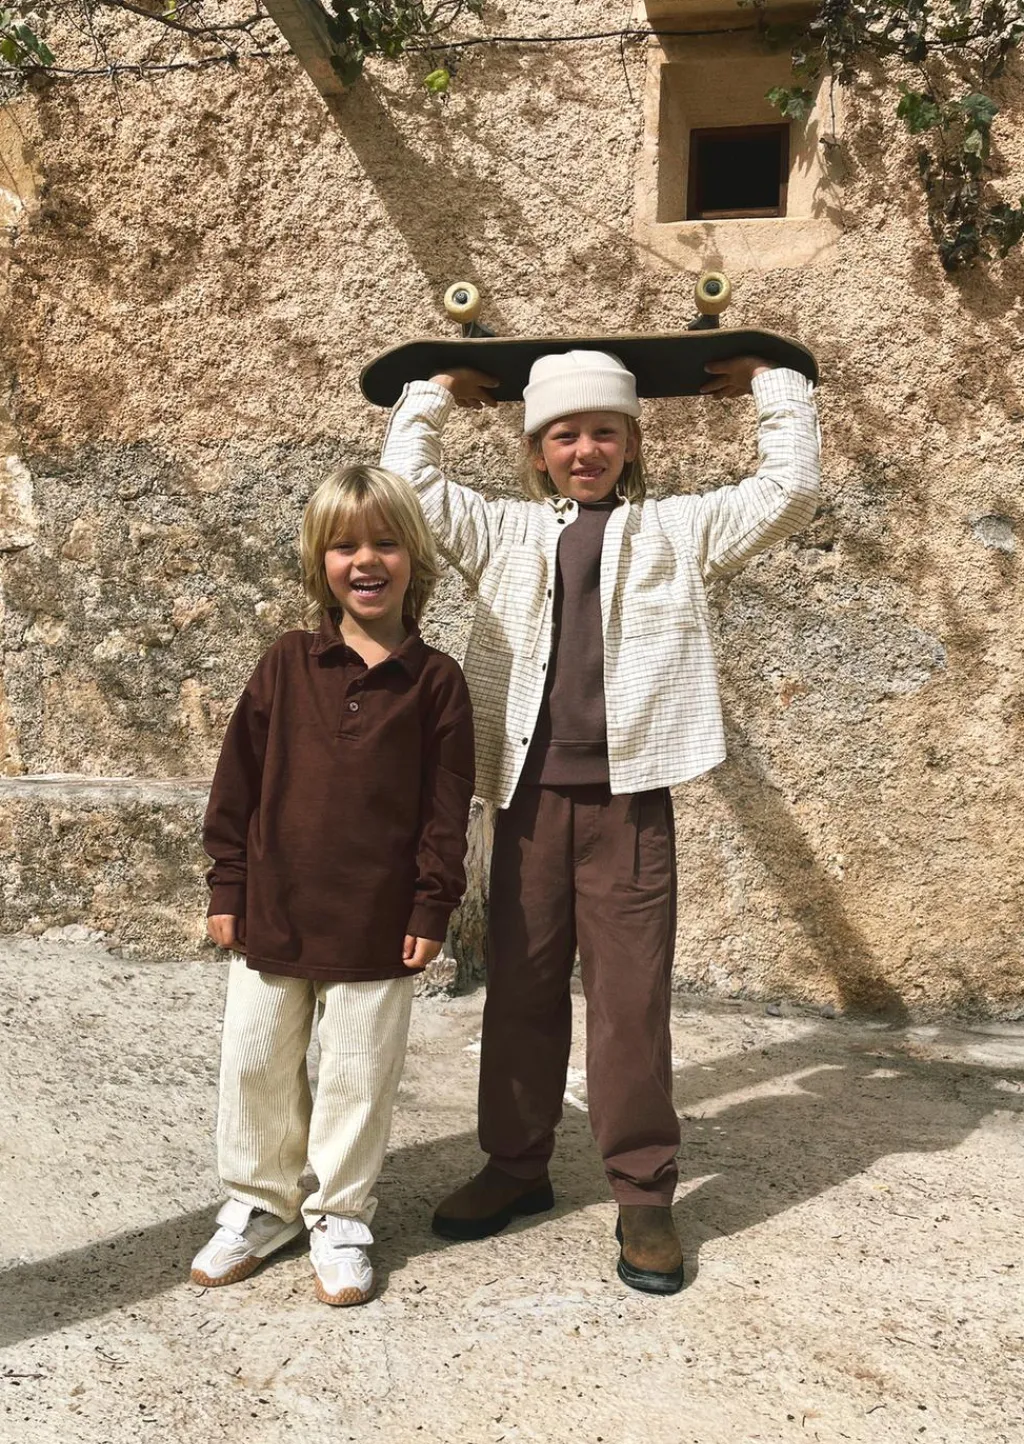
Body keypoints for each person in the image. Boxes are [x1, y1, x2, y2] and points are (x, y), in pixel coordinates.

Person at [380, 348, 820, 1294]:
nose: (585, 450)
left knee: (630, 1005)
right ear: (537, 450)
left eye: (604, 432)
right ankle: (515, 1165)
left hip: (631, 803)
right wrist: (436, 393)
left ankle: (644, 1194)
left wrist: (770, 383)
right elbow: (406, 484)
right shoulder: (502, 530)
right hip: (525, 802)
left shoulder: (678, 528)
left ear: (631, 442)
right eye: (565, 434)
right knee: (521, 991)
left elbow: (787, 490)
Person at [190, 466, 474, 1305]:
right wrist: (228, 883)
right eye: (344, 545)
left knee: (357, 1073)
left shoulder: (436, 682)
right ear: (320, 561)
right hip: (273, 910)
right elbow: (236, 782)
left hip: (377, 923)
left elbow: (445, 810)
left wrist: (431, 903)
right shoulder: (285, 663)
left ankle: (342, 1213)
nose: (366, 560)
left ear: (414, 557)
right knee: (255, 1064)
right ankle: (261, 1203)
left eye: (385, 542)